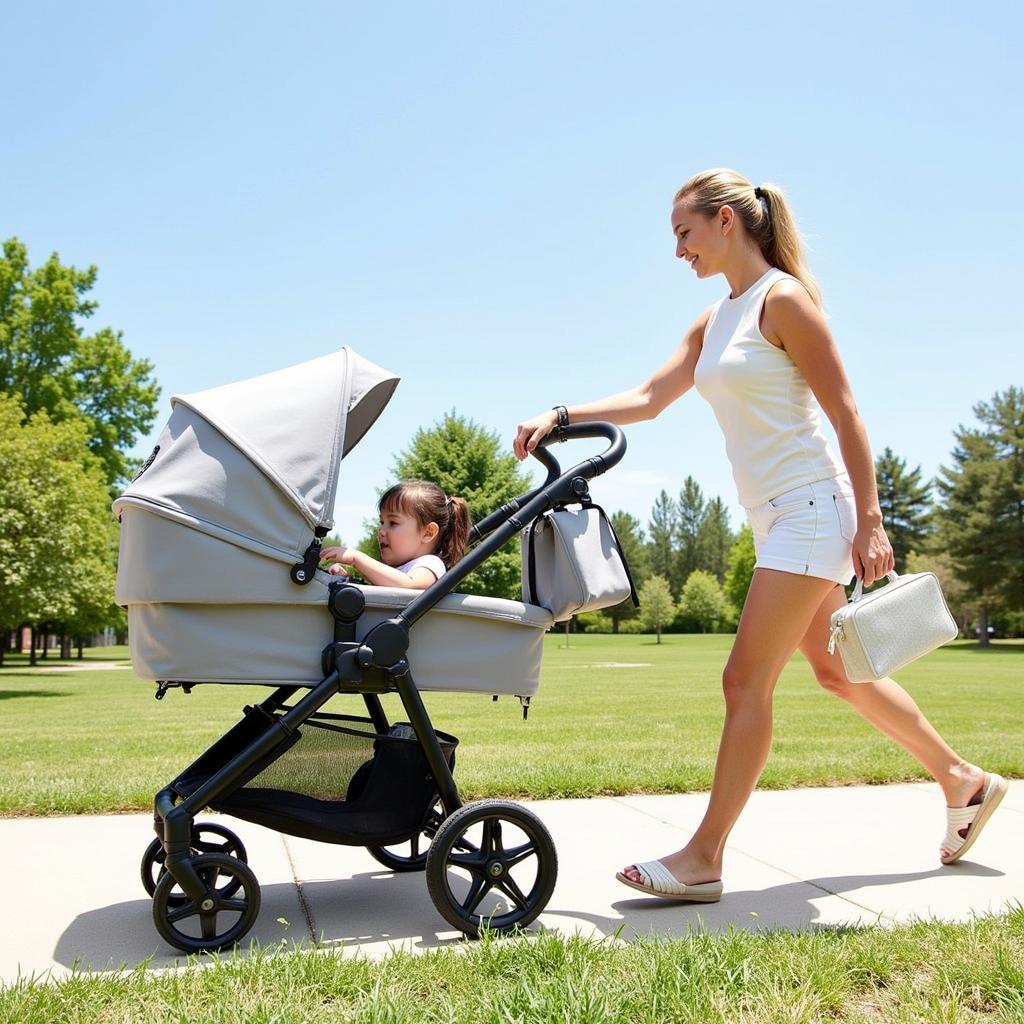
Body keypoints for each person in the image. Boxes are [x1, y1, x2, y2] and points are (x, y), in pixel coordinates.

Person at [513, 168, 1005, 903]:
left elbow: (847, 414)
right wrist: (563, 413)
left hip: (812, 508)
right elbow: (651, 397)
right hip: (776, 515)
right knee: (839, 672)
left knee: (744, 681)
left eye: (684, 232)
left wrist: (871, 520)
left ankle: (703, 857)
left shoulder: (785, 300)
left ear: (726, 222)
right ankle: (964, 781)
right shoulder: (716, 320)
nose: (678, 249)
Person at [321, 480, 470, 590]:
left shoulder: (430, 564)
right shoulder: (399, 571)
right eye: (382, 522)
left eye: (393, 523)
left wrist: (357, 558)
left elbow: (409, 585)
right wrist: (347, 580)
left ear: (428, 533)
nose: (381, 531)